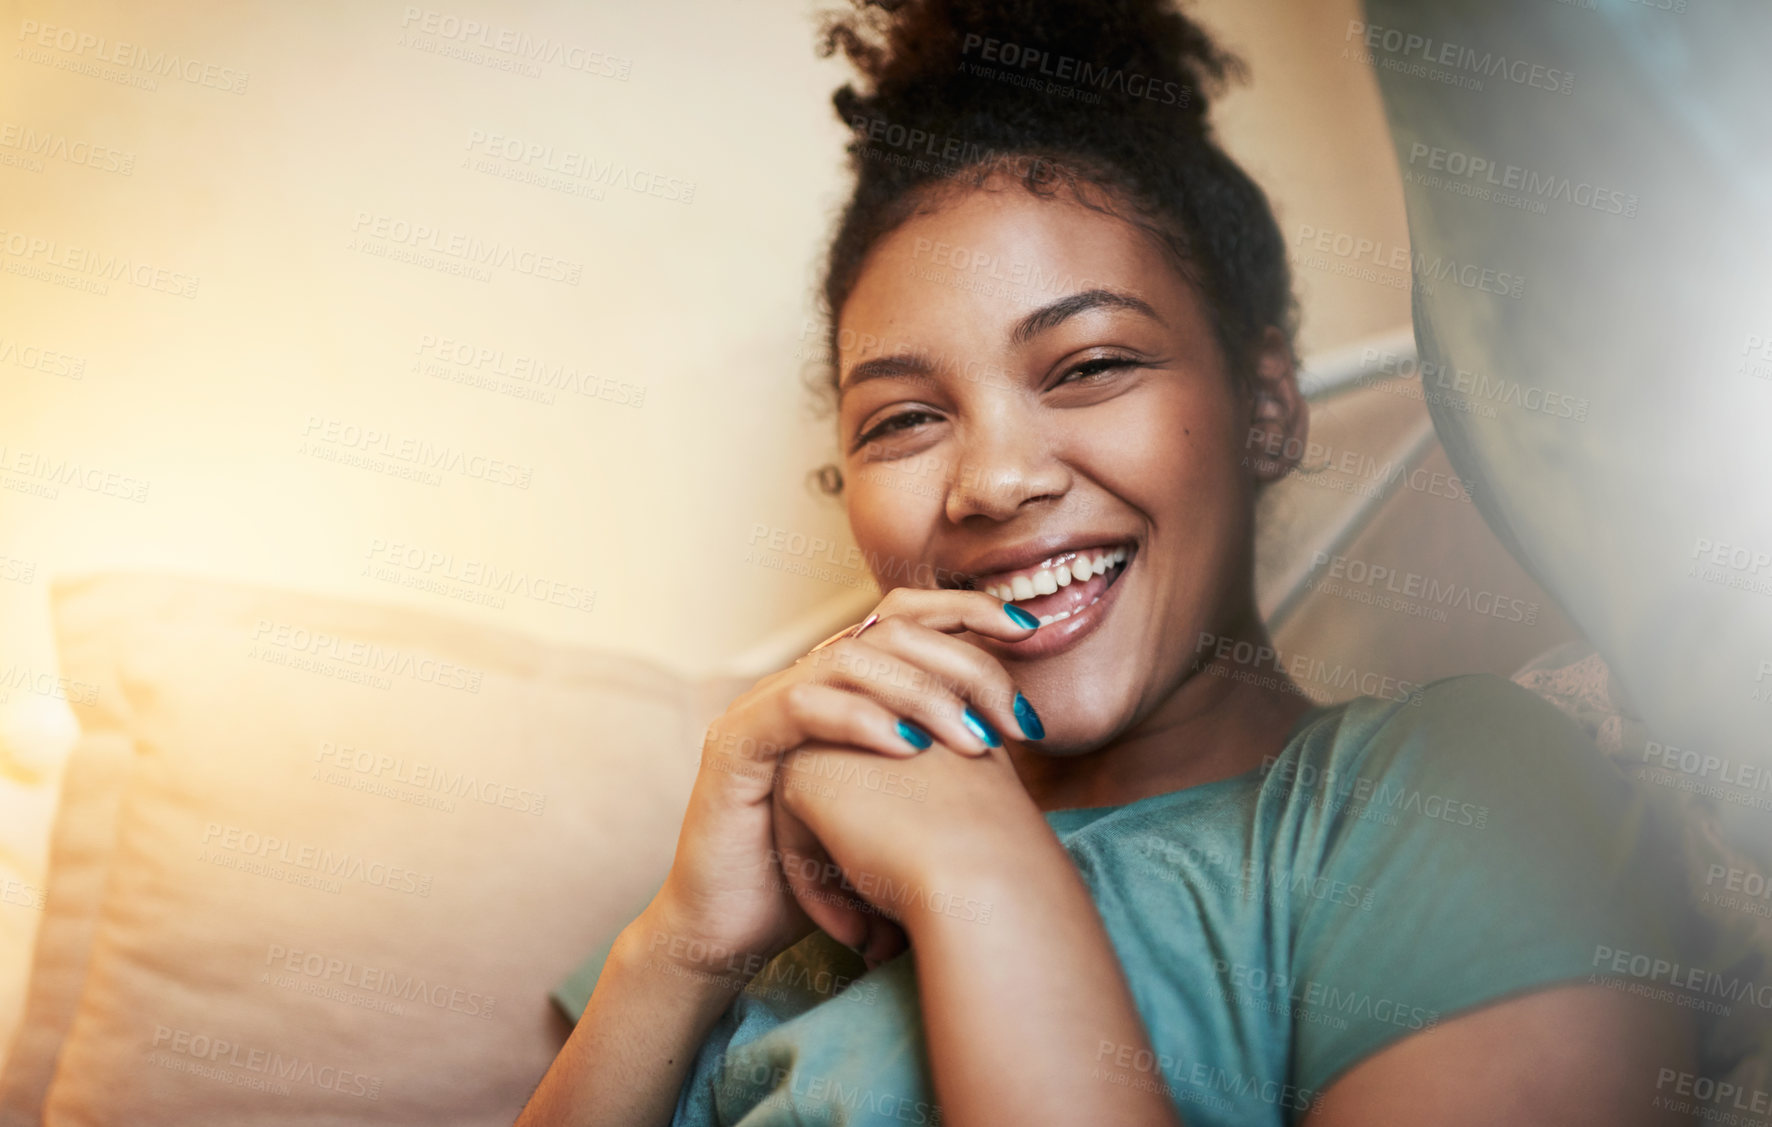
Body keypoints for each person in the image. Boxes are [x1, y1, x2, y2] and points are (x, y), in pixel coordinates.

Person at [516, 1, 1701, 1123]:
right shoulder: (787, 881)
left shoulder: (1436, 796)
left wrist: (973, 865)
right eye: (901, 420)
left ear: (1263, 409)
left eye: (1087, 365)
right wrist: (677, 940)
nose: (991, 481)